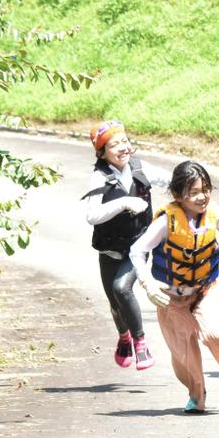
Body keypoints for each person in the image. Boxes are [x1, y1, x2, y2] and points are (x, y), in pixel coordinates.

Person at [130, 160, 219, 414]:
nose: (202, 197)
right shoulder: (166, 222)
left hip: (205, 291)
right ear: (177, 195)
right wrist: (147, 284)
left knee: (216, 334)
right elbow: (137, 251)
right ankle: (197, 396)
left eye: (205, 189)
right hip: (171, 299)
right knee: (185, 351)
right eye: (193, 192)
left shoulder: (213, 214)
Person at [82, 120, 169, 371]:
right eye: (114, 144)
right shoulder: (99, 177)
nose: (122, 148)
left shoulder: (140, 168)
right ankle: (124, 337)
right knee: (114, 303)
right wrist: (123, 203)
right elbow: (92, 215)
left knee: (122, 288)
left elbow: (171, 181)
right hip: (109, 249)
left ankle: (141, 344)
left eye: (124, 141)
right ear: (102, 152)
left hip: (137, 247)